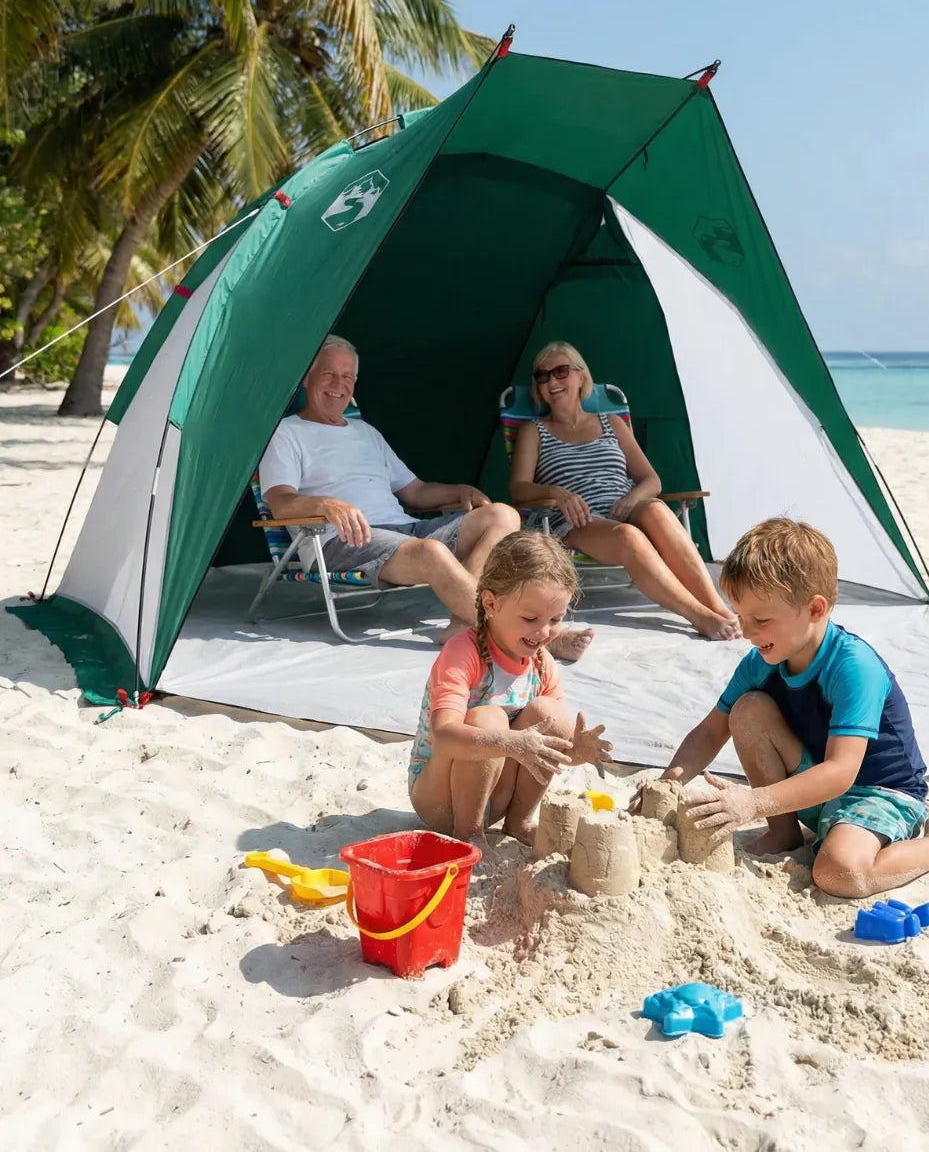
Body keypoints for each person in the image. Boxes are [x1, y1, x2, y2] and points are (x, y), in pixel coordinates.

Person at [637, 517, 929, 897]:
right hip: (813, 785)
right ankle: (782, 832)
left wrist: (751, 802)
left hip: (878, 792)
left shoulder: (853, 666)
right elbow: (710, 730)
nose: (747, 632)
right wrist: (667, 783)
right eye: (741, 617)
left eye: (761, 620)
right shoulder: (760, 662)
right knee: (748, 709)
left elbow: (841, 772)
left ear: (815, 609)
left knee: (839, 873)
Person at [259, 336, 593, 657]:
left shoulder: (366, 433)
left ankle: (465, 617)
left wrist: (459, 491)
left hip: (403, 531)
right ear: (307, 378)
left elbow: (415, 491)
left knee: (503, 515)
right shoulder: (286, 433)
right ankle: (537, 638)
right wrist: (326, 505)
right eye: (329, 373)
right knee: (430, 552)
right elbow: (280, 502)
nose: (339, 384)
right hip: (341, 539)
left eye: (347, 376)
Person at [509, 341, 740, 641]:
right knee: (629, 536)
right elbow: (518, 489)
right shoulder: (534, 431)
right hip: (577, 519)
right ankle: (699, 616)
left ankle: (719, 609)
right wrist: (558, 493)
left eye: (561, 371)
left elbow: (651, 480)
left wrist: (632, 498)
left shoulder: (612, 423)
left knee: (655, 508)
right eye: (543, 376)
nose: (552, 381)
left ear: (581, 376)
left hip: (625, 505)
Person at [409, 531, 611, 847]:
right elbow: (445, 735)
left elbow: (546, 748)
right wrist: (511, 742)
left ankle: (518, 822)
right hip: (440, 798)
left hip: (496, 797)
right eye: (530, 618)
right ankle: (470, 834)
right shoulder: (464, 652)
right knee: (488, 719)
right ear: (491, 603)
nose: (544, 632)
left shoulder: (542, 663)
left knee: (551, 713)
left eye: (556, 619)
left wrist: (577, 753)